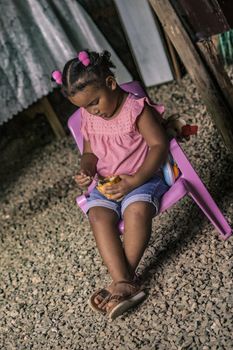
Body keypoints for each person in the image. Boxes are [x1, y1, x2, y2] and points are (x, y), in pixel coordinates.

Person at [52, 50, 169, 320]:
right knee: (97, 215)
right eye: (84, 107)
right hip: (107, 184)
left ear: (111, 84)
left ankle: (121, 283)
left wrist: (137, 179)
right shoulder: (89, 117)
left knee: (136, 210)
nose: (92, 111)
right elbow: (90, 153)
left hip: (142, 179)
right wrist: (86, 168)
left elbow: (158, 145)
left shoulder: (136, 110)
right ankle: (123, 282)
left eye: (95, 102)